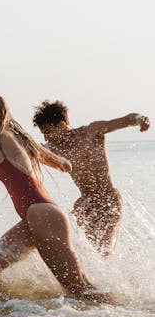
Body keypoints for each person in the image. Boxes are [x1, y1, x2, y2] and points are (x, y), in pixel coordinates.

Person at [0, 93, 115, 304]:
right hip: (37, 217)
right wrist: (63, 163)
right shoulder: (18, 137)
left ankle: (125, 312)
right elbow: (59, 161)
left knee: (79, 288)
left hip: (42, 214)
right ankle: (10, 309)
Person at [32, 100, 150, 256]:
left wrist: (141, 119)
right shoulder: (53, 149)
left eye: (47, 132)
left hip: (108, 200)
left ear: (61, 125)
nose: (46, 138)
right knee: (75, 249)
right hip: (85, 203)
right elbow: (28, 149)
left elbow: (125, 120)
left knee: (104, 251)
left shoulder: (91, 132)